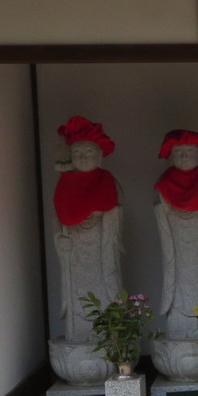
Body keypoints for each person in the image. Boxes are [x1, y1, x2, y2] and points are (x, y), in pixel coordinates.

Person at [52, 115, 122, 344]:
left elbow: (114, 215)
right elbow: (58, 219)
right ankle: (79, 338)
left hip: (101, 253)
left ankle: (110, 339)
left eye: (88, 152)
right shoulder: (65, 183)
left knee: (105, 294)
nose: (82, 157)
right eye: (77, 153)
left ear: (100, 157)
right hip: (75, 256)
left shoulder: (108, 181)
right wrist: (59, 240)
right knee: (78, 301)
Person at [154, 129, 198, 338]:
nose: (184, 156)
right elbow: (161, 216)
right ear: (171, 156)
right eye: (179, 152)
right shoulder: (164, 184)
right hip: (177, 253)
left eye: (190, 151)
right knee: (178, 287)